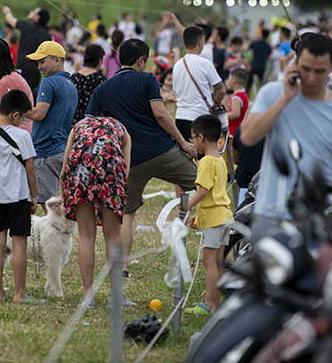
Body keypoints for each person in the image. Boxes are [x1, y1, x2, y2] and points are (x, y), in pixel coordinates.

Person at [85, 39, 198, 278]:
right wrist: (182, 142)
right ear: (140, 60)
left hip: (129, 160)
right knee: (203, 183)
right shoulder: (148, 80)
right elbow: (160, 113)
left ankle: (123, 268)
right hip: (162, 151)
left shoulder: (103, 88)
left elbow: (90, 123)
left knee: (127, 215)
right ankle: (214, 239)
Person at [240, 33, 332, 231]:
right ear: (296, 64)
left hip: (319, 218)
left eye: (319, 71)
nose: (312, 78)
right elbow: (248, 136)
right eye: (305, 69)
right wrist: (285, 99)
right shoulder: (272, 93)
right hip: (272, 214)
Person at [59, 114, 131, 306]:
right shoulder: (121, 128)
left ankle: (88, 296)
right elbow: (125, 172)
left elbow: (64, 168)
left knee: (86, 235)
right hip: (110, 167)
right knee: (113, 236)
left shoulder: (79, 126)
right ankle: (116, 296)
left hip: (79, 169)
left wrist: (65, 192)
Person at [0, 89, 39, 303]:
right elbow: (30, 169)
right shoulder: (23, 136)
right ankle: (19, 293)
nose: (23, 121)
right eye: (23, 117)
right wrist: (34, 195)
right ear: (15, 115)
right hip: (18, 196)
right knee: (19, 244)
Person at [184, 115, 233, 314]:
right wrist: (199, 217)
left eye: (193, 138)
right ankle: (217, 304)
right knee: (219, 262)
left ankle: (208, 304)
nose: (193, 142)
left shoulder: (204, 163)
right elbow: (215, 192)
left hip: (215, 219)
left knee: (209, 262)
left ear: (201, 138)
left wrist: (185, 206)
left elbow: (203, 191)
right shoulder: (220, 160)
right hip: (224, 216)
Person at [24, 41, 78, 212]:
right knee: (52, 201)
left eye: (42, 62)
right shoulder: (70, 84)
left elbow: (39, 114)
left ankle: (56, 235)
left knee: (48, 205)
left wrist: (18, 108)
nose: (39, 67)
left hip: (46, 150)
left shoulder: (48, 82)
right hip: (62, 149)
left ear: (57, 60)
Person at [172, 26, 226, 142]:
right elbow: (221, 90)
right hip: (200, 119)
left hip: (180, 118)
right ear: (201, 43)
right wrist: (217, 101)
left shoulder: (177, 65)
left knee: (185, 156)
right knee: (202, 157)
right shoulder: (205, 64)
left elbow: (176, 91)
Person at [2, 5, 51, 95]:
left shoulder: (27, 26)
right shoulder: (47, 34)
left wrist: (7, 11)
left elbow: (10, 19)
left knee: (18, 97)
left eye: (34, 12)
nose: (31, 12)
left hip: (23, 69)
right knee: (30, 97)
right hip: (36, 72)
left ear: (37, 17)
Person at [71, 44, 107, 124]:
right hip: (95, 127)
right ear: (99, 60)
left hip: (76, 125)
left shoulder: (74, 78)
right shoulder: (101, 80)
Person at [225, 69, 249, 138]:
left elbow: (235, 114)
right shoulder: (242, 94)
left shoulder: (237, 97)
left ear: (234, 81)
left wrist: (222, 116)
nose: (227, 80)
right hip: (236, 129)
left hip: (233, 131)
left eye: (229, 78)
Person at [247, 28, 272, 92]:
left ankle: (247, 94)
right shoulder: (268, 45)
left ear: (261, 35)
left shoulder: (255, 43)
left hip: (253, 66)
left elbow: (247, 48)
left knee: (249, 83)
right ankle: (262, 95)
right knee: (263, 84)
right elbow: (269, 57)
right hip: (262, 67)